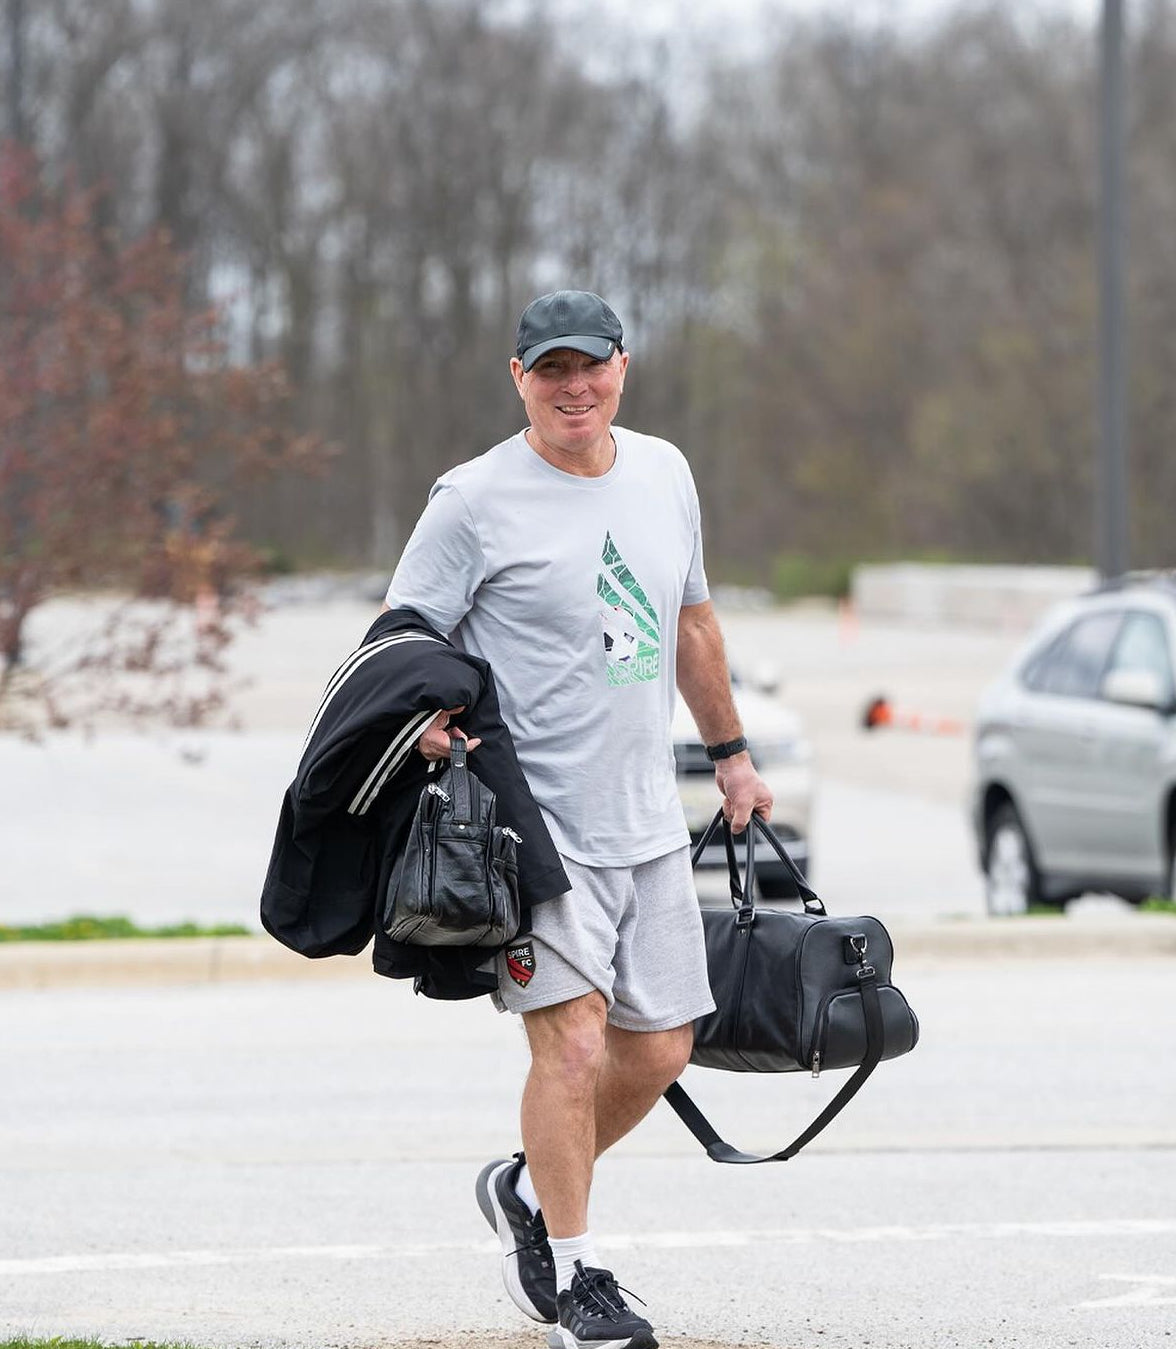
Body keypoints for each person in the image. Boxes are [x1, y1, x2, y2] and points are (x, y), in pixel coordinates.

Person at [384, 290, 772, 1349]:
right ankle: (579, 1274)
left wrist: (731, 751)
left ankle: (525, 1184)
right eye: (549, 369)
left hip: (648, 818)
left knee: (658, 1049)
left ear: (622, 367)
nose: (573, 387)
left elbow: (691, 619)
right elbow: (403, 636)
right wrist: (428, 724)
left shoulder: (664, 472)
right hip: (532, 829)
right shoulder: (470, 499)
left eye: (589, 366)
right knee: (570, 1048)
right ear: (518, 379)